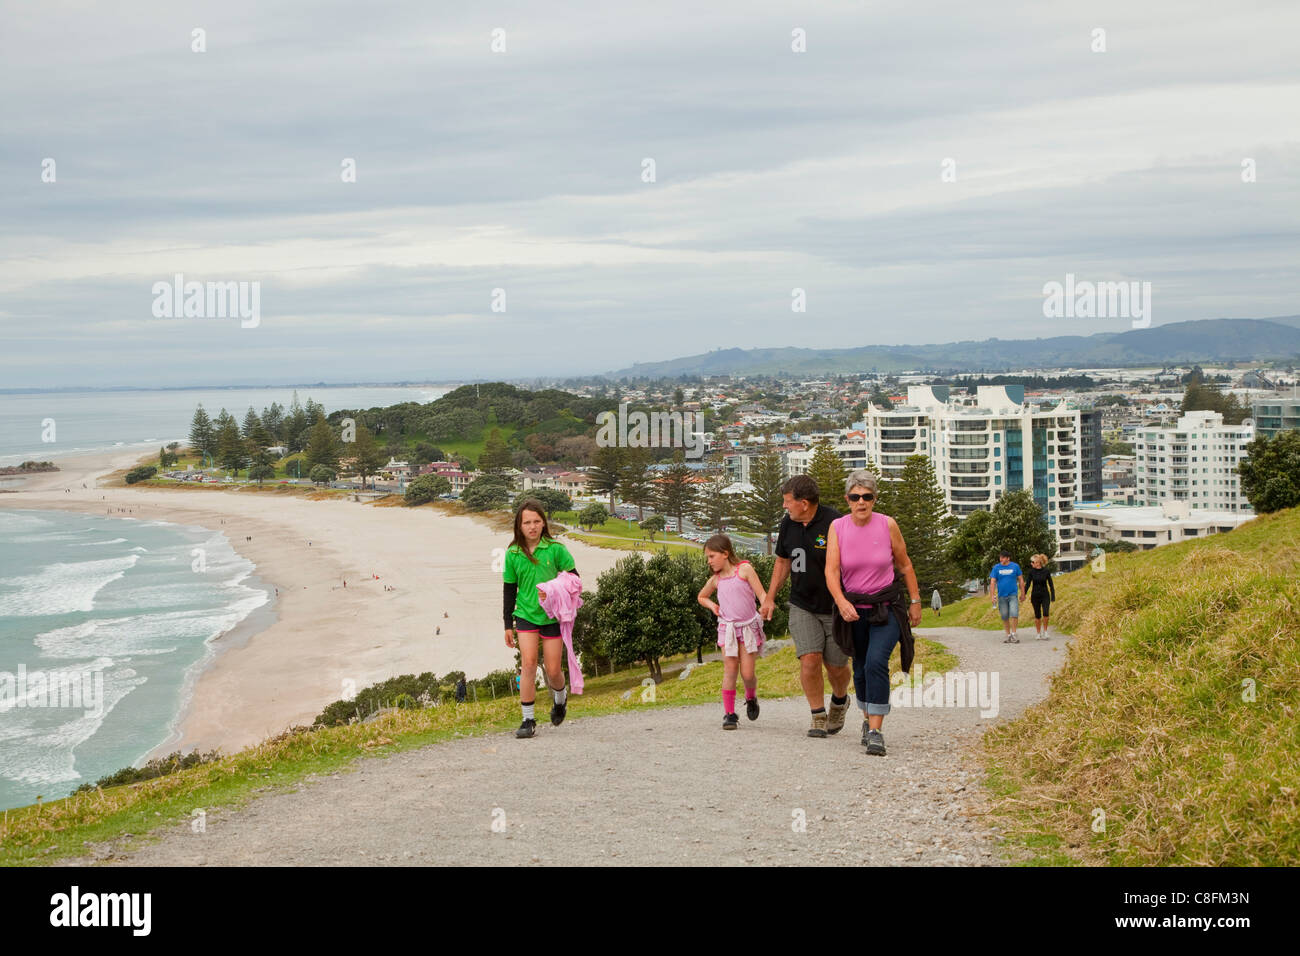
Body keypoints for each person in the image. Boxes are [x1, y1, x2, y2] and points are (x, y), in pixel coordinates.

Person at [825, 469, 921, 757]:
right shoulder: (838, 527)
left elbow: (904, 565)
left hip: (886, 607)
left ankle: (877, 731)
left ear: (875, 499)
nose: (861, 502)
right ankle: (867, 721)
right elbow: (831, 571)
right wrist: (842, 603)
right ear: (848, 499)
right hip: (853, 610)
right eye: (855, 497)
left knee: (876, 662)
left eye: (867, 496)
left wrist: (915, 600)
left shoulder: (888, 525)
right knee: (861, 666)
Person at [761, 474, 852, 739]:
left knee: (836, 667)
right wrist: (769, 597)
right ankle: (818, 715)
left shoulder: (835, 522)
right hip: (802, 605)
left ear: (803, 503)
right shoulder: (787, 524)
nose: (784, 507)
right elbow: (782, 561)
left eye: (787, 502)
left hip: (835, 607)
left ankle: (840, 699)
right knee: (810, 659)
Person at [502, 499, 578, 739]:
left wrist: (553, 588)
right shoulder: (512, 553)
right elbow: (509, 590)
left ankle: (559, 698)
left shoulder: (556, 549)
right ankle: (528, 719)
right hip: (525, 615)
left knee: (554, 669)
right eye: (527, 522)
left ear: (544, 523)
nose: (532, 526)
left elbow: (574, 580)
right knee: (529, 663)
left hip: (552, 616)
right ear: (519, 525)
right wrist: (506, 625)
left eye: (536, 521)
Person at [698, 534, 766, 730]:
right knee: (729, 670)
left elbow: (761, 593)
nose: (709, 561)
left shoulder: (744, 570)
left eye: (711, 556)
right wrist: (712, 605)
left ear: (725, 553)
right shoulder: (715, 580)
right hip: (727, 630)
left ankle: (751, 697)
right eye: (707, 558)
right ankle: (729, 714)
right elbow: (701, 596)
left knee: (747, 673)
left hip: (747, 629)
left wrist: (764, 605)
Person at [989, 550, 1026, 643]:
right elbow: (992, 582)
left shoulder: (1015, 566)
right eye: (1000, 557)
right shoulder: (996, 568)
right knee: (1004, 616)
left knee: (1014, 613)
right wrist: (992, 595)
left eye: (1003, 557)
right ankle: (1008, 635)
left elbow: (1021, 580)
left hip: (1013, 594)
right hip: (1001, 596)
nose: (1001, 559)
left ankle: (1014, 634)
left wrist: (1023, 593)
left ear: (1008, 558)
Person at [1023, 553, 1056, 640]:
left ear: (1037, 563)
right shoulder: (1031, 572)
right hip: (1035, 596)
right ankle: (1038, 633)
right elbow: (1028, 584)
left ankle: (1045, 632)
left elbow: (1051, 584)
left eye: (1032, 562)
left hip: (1045, 595)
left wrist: (1053, 595)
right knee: (1037, 615)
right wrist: (1023, 594)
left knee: (1046, 613)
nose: (1031, 563)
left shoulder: (1046, 571)